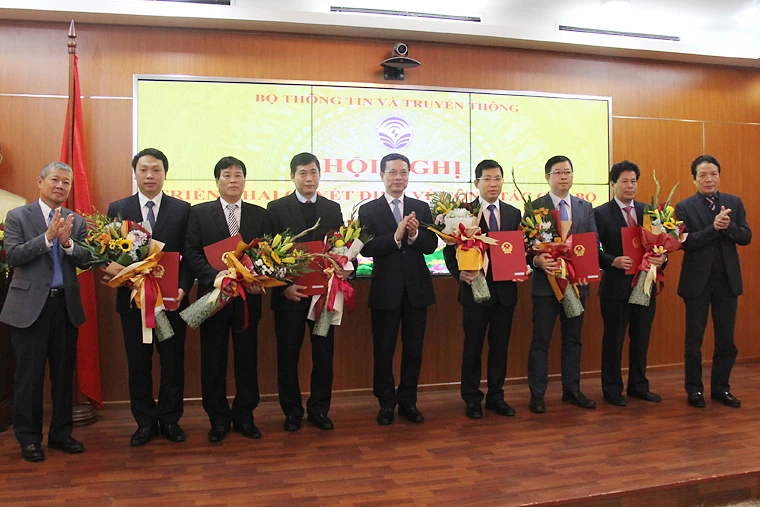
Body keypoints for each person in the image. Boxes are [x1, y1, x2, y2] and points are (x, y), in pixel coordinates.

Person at [0, 162, 90, 462]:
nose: (60, 186)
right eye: (55, 180)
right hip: (29, 308)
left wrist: (67, 244)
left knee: (63, 376)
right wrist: (47, 238)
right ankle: (29, 438)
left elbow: (86, 259)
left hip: (65, 306)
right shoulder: (18, 216)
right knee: (29, 376)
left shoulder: (76, 221)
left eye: (66, 182)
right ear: (40, 182)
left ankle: (61, 434)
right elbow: (13, 255)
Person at [106, 148, 193, 446]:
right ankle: (144, 422)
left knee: (172, 363)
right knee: (139, 364)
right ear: (135, 173)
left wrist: (184, 287)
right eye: (143, 169)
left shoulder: (182, 209)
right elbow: (109, 254)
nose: (150, 175)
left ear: (165, 174)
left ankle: (170, 420)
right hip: (134, 304)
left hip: (170, 303)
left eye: (156, 169)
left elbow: (188, 255)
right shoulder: (119, 208)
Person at [184, 156, 271, 442]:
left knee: (247, 360)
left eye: (238, 175)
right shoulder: (199, 213)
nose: (233, 180)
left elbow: (267, 254)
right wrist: (215, 277)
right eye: (226, 175)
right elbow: (192, 251)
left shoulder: (260, 214)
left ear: (245, 180)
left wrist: (258, 278)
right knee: (213, 361)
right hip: (213, 298)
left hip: (248, 299)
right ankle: (218, 420)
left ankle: (245, 416)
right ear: (217, 181)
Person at [267, 152, 345, 432]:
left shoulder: (332, 208)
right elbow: (267, 254)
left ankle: (319, 410)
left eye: (313, 172)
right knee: (288, 356)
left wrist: (345, 267)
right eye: (302, 173)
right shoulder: (276, 208)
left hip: (323, 297)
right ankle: (291, 411)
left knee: (323, 355)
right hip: (290, 297)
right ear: (292, 176)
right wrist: (285, 286)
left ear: (319, 175)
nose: (308, 178)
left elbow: (341, 248)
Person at [359, 153, 438, 425]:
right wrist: (396, 236)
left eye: (403, 172)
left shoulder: (421, 207)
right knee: (384, 351)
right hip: (385, 290)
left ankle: (408, 402)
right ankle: (386, 403)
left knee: (414, 351)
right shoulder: (369, 210)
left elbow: (431, 245)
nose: (398, 178)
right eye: (392, 172)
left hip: (416, 290)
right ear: (382, 175)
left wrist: (414, 234)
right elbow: (366, 248)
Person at [443, 159, 522, 419]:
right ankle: (472, 398)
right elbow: (449, 250)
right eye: (487, 179)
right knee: (473, 347)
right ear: (477, 182)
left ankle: (496, 397)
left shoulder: (513, 213)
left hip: (505, 292)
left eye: (498, 178)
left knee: (500, 347)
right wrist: (459, 274)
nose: (493, 184)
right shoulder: (463, 213)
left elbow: (516, 248)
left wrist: (520, 268)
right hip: (475, 290)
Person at [675, 155, 751, 409]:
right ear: (694, 179)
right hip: (697, 282)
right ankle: (694, 390)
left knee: (726, 340)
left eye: (713, 174)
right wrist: (714, 228)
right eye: (703, 175)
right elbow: (686, 242)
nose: (709, 179)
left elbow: (746, 236)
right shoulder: (684, 207)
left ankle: (721, 388)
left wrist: (729, 227)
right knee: (694, 341)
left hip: (727, 281)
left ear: (719, 176)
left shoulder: (733, 202)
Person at [526, 155, 598, 413]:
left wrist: (586, 269)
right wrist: (537, 260)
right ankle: (537, 394)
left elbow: (592, 242)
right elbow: (525, 246)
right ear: (548, 177)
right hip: (546, 286)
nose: (564, 177)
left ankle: (572, 390)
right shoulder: (535, 207)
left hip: (576, 284)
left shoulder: (584, 207)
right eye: (558, 172)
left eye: (567, 172)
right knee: (541, 340)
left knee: (573, 339)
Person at [595, 161, 666, 407]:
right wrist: (611, 260)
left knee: (641, 338)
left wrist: (662, 258)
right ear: (613, 184)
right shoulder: (600, 213)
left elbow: (660, 245)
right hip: (615, 287)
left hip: (644, 285)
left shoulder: (649, 211)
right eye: (624, 181)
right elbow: (593, 249)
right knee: (614, 340)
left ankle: (639, 386)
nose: (630, 186)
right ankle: (612, 389)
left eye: (633, 181)